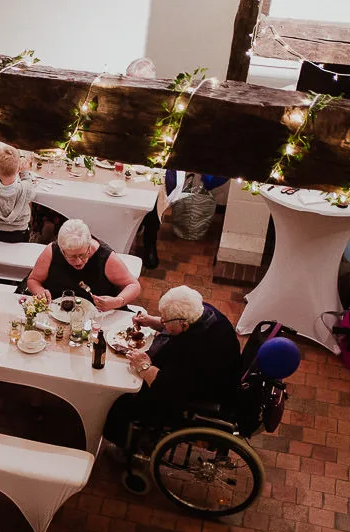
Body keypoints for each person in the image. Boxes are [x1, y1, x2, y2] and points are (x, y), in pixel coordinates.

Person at [103, 285, 242, 448]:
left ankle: (124, 444)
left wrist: (144, 367)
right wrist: (151, 321)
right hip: (192, 374)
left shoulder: (198, 347)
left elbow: (169, 387)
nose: (162, 321)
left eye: (165, 320)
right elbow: (176, 328)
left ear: (183, 324)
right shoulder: (201, 311)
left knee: (121, 400)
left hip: (199, 394)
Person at [26, 219, 141, 310]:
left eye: (82, 255)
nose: (78, 262)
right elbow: (33, 280)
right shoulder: (52, 251)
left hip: (96, 315)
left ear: (89, 246)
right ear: (62, 250)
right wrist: (40, 292)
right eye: (71, 256)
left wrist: (117, 301)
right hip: (56, 311)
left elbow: (133, 285)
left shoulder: (106, 258)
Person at [125, 57, 162, 269]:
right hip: (125, 159)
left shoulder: (160, 105)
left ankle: (149, 242)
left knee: (154, 196)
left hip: (151, 164)